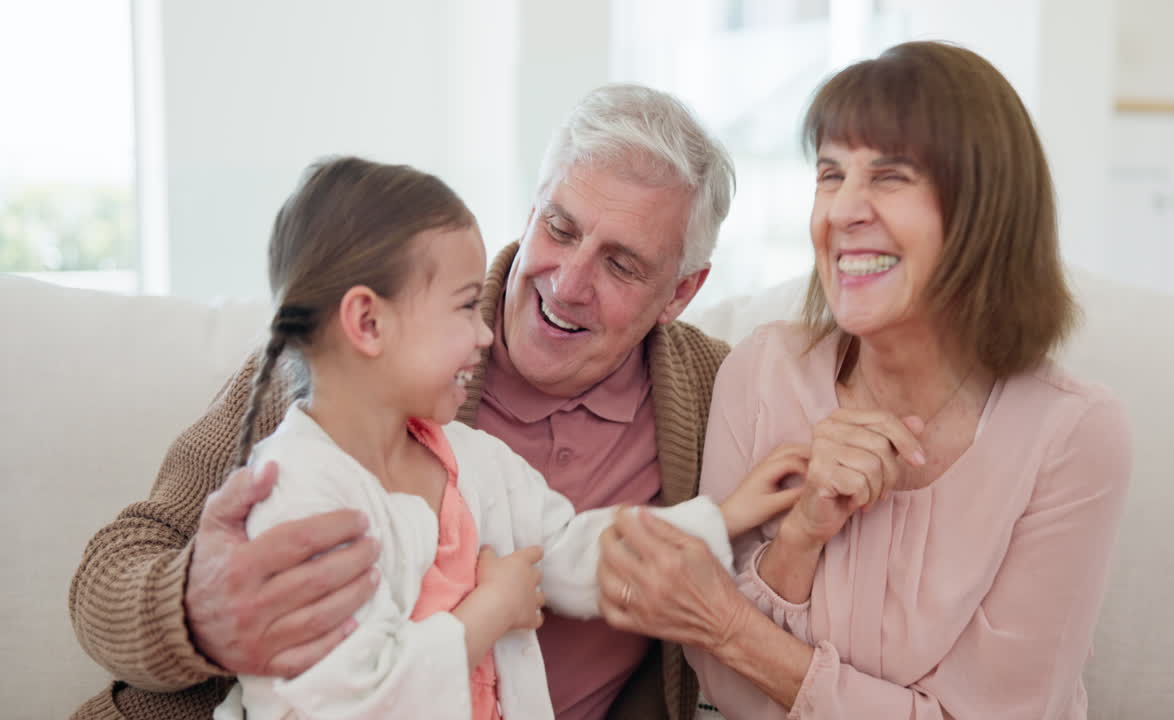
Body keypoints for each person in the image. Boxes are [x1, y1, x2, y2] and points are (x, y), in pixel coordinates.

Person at [68, 84, 740, 720]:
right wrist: (195, 611)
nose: (567, 284)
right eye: (560, 229)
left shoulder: (716, 392)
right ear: (532, 208)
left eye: (621, 265)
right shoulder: (358, 346)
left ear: (681, 292)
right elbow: (111, 573)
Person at [594, 41, 1132, 719]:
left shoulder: (1071, 435)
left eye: (889, 176)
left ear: (984, 211)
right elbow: (725, 690)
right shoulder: (761, 372)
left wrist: (731, 625)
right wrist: (800, 537)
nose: (843, 210)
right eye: (830, 174)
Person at [205, 156, 792, 720]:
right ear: (367, 324)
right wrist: (490, 611)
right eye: (463, 308)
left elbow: (573, 550)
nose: (484, 333)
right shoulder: (297, 492)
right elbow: (352, 698)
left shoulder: (471, 461)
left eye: (621, 263)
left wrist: (726, 515)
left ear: (680, 291)